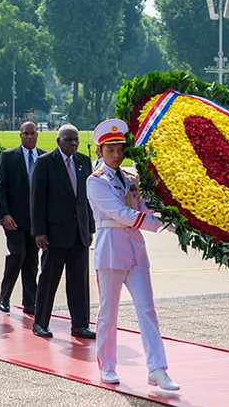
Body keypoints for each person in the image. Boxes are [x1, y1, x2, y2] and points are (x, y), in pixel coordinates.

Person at [86, 119, 180, 390]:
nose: (116, 155)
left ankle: (157, 369)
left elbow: (146, 208)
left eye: (119, 149)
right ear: (100, 152)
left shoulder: (131, 179)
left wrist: (174, 220)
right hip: (111, 250)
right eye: (110, 150)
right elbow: (123, 214)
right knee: (108, 313)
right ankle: (107, 365)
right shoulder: (95, 182)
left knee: (147, 310)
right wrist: (161, 225)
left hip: (136, 252)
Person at [30, 124, 95, 339]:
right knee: (49, 280)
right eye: (69, 140)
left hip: (79, 233)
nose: (74, 143)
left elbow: (87, 198)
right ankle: (40, 322)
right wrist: (39, 231)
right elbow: (37, 200)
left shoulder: (84, 162)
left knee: (79, 281)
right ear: (59, 141)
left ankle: (80, 324)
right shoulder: (45, 163)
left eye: (76, 139)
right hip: (54, 233)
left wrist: (90, 227)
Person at [0, 121, 45, 314]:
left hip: (36, 221)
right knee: (17, 255)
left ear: (37, 135)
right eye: (25, 133)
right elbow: (1, 187)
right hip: (14, 219)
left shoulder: (44, 157)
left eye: (32, 133)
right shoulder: (9, 157)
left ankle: (29, 301)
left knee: (32, 260)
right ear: (20, 135)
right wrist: (4, 214)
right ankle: (4, 296)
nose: (29, 137)